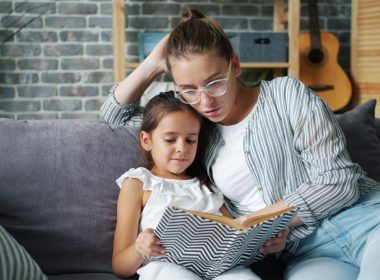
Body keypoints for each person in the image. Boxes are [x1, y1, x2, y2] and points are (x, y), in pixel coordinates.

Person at [102, 8, 380, 280]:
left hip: (366, 220)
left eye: (214, 83)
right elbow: (114, 115)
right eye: (189, 89)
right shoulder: (196, 130)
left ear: (235, 65)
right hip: (306, 253)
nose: (205, 101)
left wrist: (254, 224)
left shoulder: (285, 94)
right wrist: (154, 63)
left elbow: (340, 182)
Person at [111, 91, 279, 280]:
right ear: (146, 141)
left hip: (218, 270)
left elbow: (236, 236)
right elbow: (120, 266)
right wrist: (139, 248)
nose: (182, 148)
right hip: (165, 269)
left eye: (190, 140)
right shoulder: (138, 183)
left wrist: (268, 243)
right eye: (170, 139)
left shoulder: (206, 187)